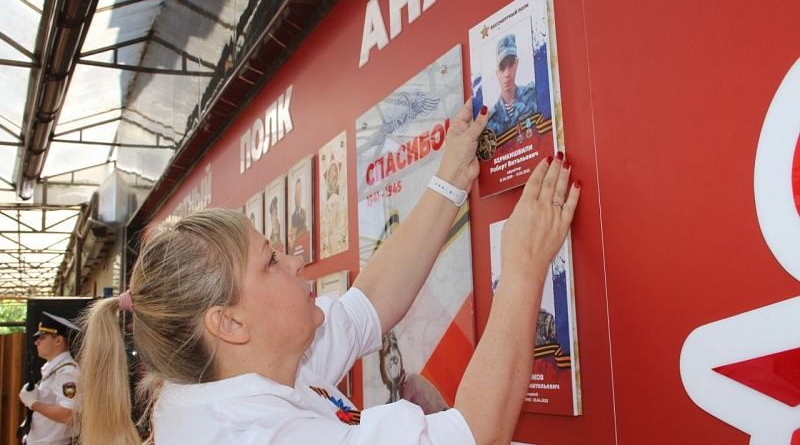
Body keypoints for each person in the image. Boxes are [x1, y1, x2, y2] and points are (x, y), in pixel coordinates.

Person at [77, 99, 580, 445]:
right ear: (228, 323)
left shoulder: (246, 368)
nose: (296, 262)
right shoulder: (254, 435)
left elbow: (369, 306)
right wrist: (522, 268)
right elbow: (475, 434)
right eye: (271, 262)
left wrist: (449, 182)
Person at [19, 312, 80, 445]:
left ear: (58, 340)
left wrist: (33, 403)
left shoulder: (67, 372)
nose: (36, 342)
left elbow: (69, 414)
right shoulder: (54, 369)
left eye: (42, 337)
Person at [487, 34, 539, 136]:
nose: (507, 74)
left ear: (517, 63)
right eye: (502, 68)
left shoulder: (532, 95)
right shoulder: (490, 120)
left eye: (511, 64)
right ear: (497, 73)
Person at [290, 176, 308, 242]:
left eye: (299, 193)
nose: (298, 197)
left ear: (302, 195)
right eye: (296, 193)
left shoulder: (305, 213)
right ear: (294, 196)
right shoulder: (291, 218)